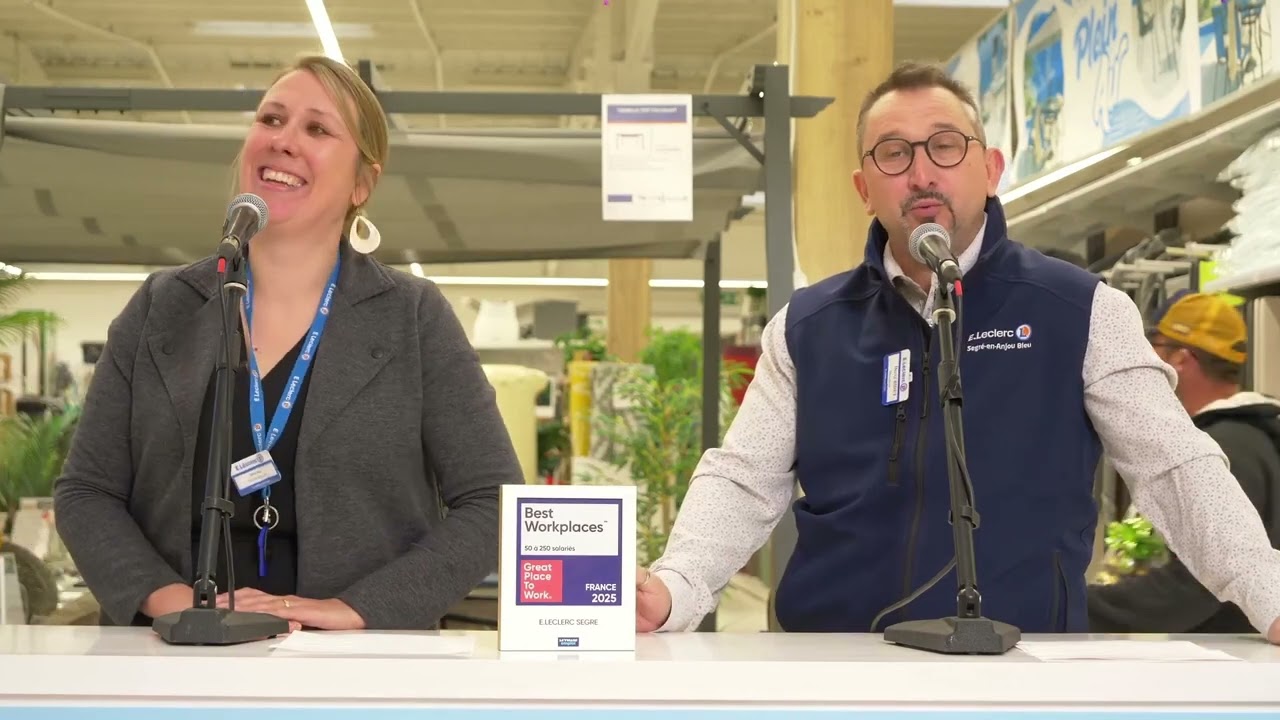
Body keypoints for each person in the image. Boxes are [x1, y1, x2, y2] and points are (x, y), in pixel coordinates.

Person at [634, 62, 1280, 643]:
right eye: (893, 154)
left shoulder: (1080, 310)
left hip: (1022, 664)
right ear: (864, 187)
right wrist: (677, 586)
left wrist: (1269, 595)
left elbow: (1176, 469)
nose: (920, 172)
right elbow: (743, 479)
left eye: (944, 146)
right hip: (835, 665)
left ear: (991, 169)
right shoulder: (808, 326)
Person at [53, 55, 521, 631]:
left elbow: (494, 503)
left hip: (351, 666)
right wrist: (168, 600)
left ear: (361, 183)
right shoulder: (163, 305)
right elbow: (87, 491)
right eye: (271, 119)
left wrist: (355, 610)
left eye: (317, 129)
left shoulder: (412, 317)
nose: (284, 141)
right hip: (173, 655)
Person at [1089, 292, 1280, 633]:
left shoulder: (1224, 450)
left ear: (1181, 358)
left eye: (1156, 347)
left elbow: (1191, 590)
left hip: (1225, 662)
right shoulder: (1258, 436)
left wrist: (1076, 607)